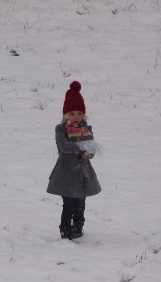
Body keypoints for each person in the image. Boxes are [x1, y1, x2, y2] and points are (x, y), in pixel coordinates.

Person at [47, 81, 102, 240]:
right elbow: (64, 146)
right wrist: (80, 146)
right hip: (66, 173)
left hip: (82, 173)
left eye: (79, 113)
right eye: (72, 114)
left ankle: (78, 227)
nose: (76, 117)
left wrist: (90, 152)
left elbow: (90, 149)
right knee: (69, 203)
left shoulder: (86, 129)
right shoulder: (61, 129)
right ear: (66, 115)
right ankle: (65, 230)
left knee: (80, 204)